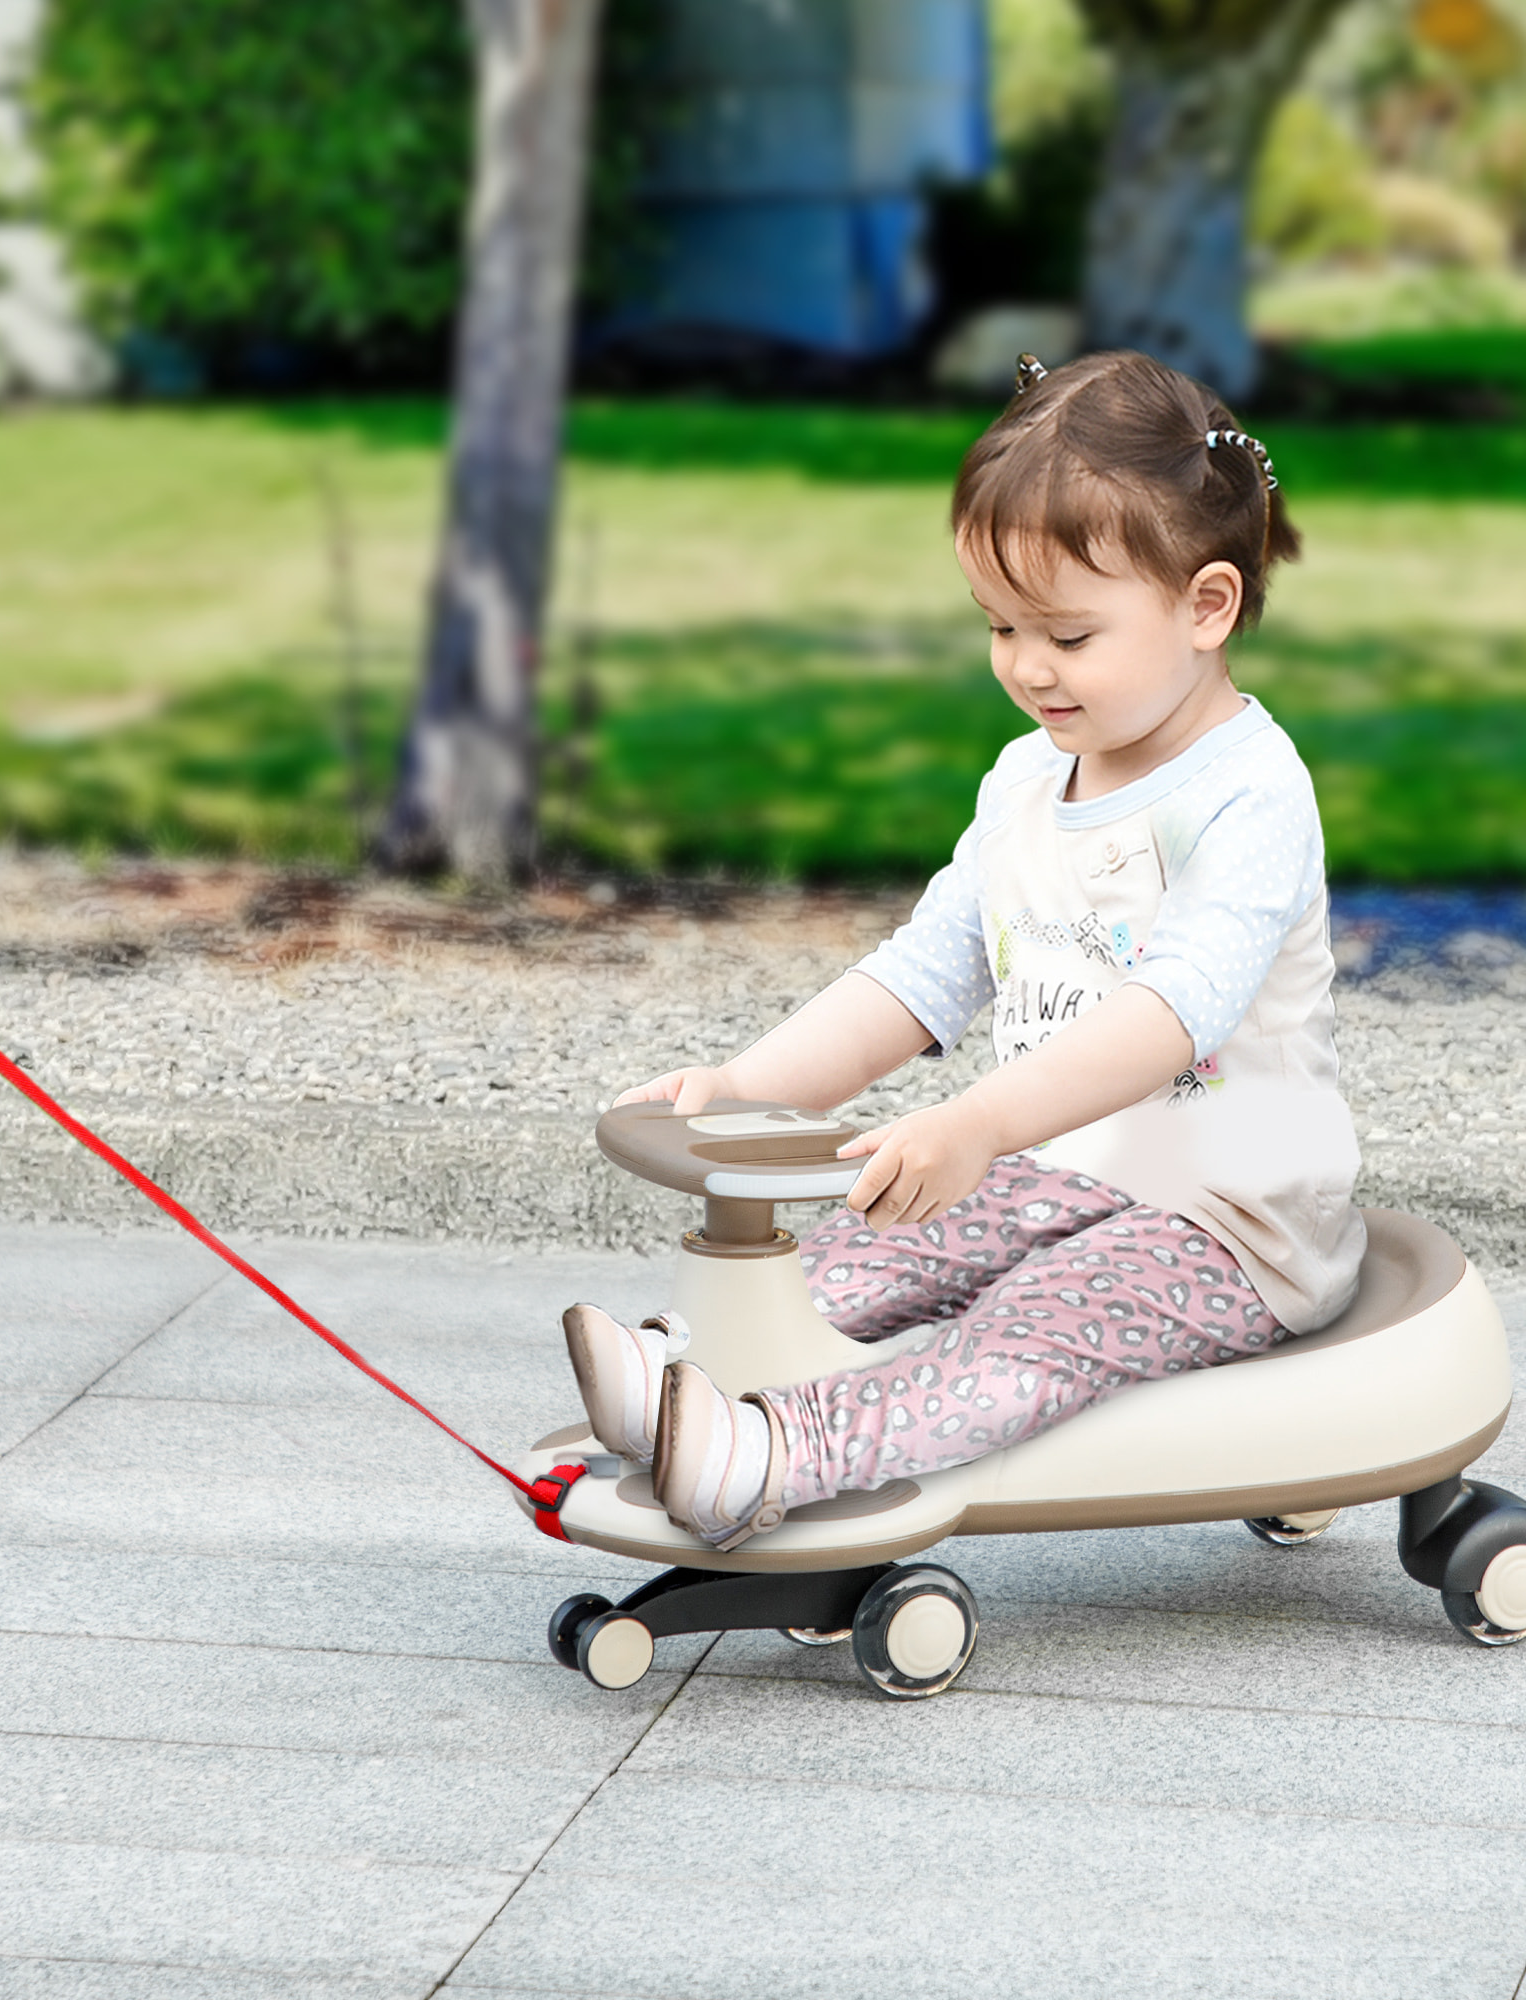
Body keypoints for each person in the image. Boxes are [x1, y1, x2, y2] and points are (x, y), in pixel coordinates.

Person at [564, 349, 1366, 1551]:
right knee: (883, 1239)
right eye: (999, 623)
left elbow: (1171, 1012)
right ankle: (698, 1371)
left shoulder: (1249, 792)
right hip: (1064, 1168)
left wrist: (979, 1122)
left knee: (1035, 1316)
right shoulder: (1027, 777)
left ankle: (785, 1451)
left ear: (1206, 608)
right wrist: (745, 1089)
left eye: (1067, 632)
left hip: (1229, 1217)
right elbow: (929, 963)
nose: (1026, 665)